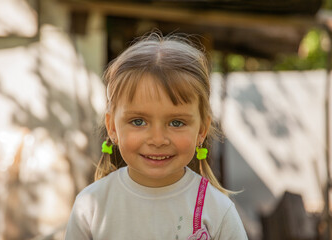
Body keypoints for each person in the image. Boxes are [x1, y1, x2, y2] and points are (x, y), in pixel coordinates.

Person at [64, 32, 248, 240]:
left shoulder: (217, 211)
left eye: (176, 122)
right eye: (138, 122)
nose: (158, 140)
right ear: (112, 127)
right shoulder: (90, 206)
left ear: (202, 130)